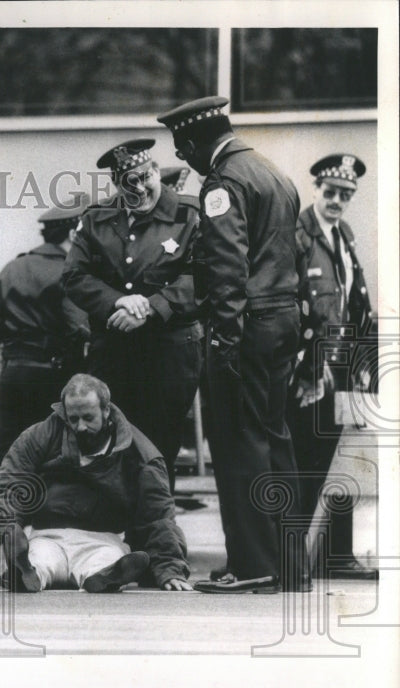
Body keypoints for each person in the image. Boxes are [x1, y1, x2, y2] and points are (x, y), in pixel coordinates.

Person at [157, 96, 306, 594]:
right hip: (281, 321)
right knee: (275, 442)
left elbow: (227, 269)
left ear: (198, 141)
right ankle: (288, 565)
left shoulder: (223, 183)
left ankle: (253, 564)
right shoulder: (273, 173)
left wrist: (223, 338)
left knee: (238, 445)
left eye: (184, 150)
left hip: (244, 328)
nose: (184, 160)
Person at [62, 139, 202, 489]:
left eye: (144, 177)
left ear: (156, 172)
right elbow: (74, 275)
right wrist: (117, 302)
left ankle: (157, 535)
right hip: (114, 352)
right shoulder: (96, 219)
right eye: (129, 183)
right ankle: (117, 535)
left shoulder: (189, 214)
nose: (139, 188)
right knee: (112, 445)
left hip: (168, 353)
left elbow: (204, 274)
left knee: (158, 448)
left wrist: (152, 307)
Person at [0, 374, 191, 592]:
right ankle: (26, 573)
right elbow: (11, 482)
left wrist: (169, 568)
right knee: (39, 560)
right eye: (73, 418)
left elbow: (158, 513)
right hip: (47, 535)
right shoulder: (40, 435)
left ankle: (105, 576)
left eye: (88, 417)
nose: (80, 427)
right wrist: (9, 526)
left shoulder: (139, 453)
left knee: (106, 560)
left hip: (103, 539)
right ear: (63, 412)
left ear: (107, 410)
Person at [288, 154, 377, 580]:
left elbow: (356, 303)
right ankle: (297, 559)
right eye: (331, 192)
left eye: (345, 195)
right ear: (317, 190)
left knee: (340, 462)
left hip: (341, 364)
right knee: (308, 461)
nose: (337, 200)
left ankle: (337, 555)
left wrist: (363, 363)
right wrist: (307, 365)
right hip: (311, 368)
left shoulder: (344, 236)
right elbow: (291, 304)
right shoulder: (298, 236)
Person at [0, 202, 90, 517]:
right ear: (72, 232)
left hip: (13, 373)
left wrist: (7, 362)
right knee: (52, 455)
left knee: (4, 454)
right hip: (52, 377)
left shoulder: (14, 267)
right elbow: (77, 327)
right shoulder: (69, 269)